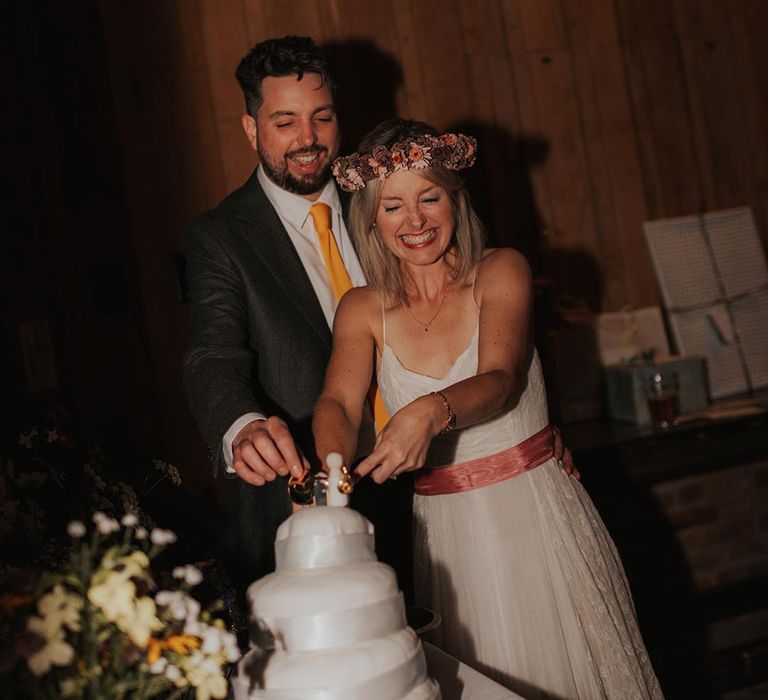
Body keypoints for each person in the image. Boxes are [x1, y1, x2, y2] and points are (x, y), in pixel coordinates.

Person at [182, 36, 573, 593]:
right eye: (285, 121)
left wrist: (527, 426)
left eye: (321, 117)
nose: (307, 138)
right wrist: (240, 428)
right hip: (316, 504)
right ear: (252, 128)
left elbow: (487, 321)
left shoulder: (388, 189)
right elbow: (211, 355)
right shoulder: (219, 237)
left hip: (436, 489)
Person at [313, 118, 663, 699]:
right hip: (449, 540)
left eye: (429, 197)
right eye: (393, 206)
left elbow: (500, 380)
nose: (416, 221)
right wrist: (331, 477)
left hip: (536, 515)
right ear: (371, 218)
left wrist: (430, 410)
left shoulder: (501, 270)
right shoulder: (360, 307)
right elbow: (338, 402)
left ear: (455, 199)